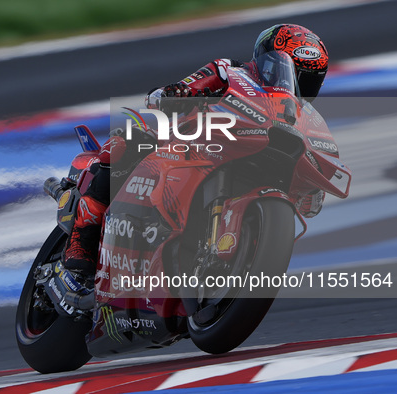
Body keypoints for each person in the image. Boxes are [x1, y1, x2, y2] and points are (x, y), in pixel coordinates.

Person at [63, 23, 329, 279]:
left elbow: (315, 159)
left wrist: (312, 184)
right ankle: (81, 240)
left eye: (308, 80)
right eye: (293, 72)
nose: (297, 84)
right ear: (266, 58)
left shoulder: (304, 118)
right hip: (189, 140)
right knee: (123, 144)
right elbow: (186, 86)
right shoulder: (231, 70)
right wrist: (175, 93)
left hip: (245, 157)